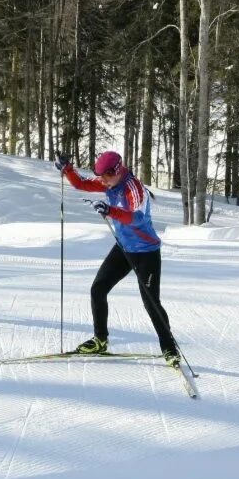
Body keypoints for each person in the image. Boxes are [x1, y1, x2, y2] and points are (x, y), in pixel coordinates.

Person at [54, 150, 179, 365]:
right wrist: (68, 170)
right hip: (123, 248)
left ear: (117, 171)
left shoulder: (134, 188)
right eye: (100, 177)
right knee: (98, 289)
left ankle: (170, 349)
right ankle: (100, 340)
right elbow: (81, 184)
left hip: (146, 252)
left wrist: (110, 210)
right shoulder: (108, 182)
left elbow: (137, 218)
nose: (102, 181)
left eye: (105, 177)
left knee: (151, 303)